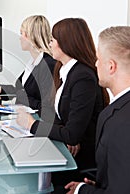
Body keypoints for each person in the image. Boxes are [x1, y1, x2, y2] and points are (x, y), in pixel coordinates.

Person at [16, 18, 109, 193]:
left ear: (66, 43)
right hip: (66, 148)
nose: (49, 44)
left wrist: (31, 124)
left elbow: (72, 134)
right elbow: (59, 115)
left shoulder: (83, 77)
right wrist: (67, 134)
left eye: (52, 40)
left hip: (80, 160)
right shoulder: (64, 70)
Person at [65, 26, 130, 194]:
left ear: (111, 66)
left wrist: (82, 190)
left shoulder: (121, 122)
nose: (95, 64)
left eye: (98, 59)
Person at [0, 15, 56, 114]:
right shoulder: (32, 62)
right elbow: (21, 90)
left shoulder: (48, 65)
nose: (20, 38)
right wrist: (0, 90)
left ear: (31, 36)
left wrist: (21, 96)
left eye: (22, 33)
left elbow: (46, 107)